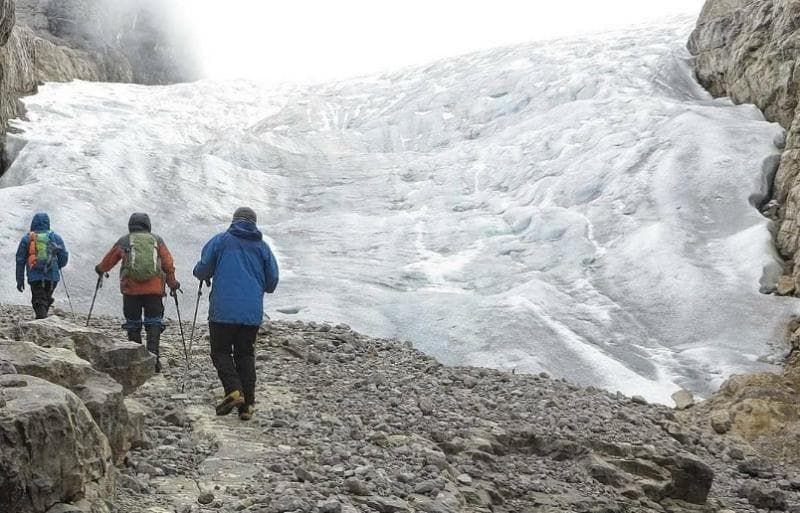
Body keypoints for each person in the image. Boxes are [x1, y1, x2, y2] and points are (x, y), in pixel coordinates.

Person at [193, 207, 279, 421]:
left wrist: (200, 273)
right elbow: (272, 282)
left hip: (223, 309)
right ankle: (247, 406)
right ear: (254, 223)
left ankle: (233, 391)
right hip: (251, 312)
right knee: (245, 354)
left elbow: (204, 268)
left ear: (234, 221)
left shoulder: (221, 241)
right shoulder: (263, 247)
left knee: (220, 351)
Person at [96, 212, 180, 372]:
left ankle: (136, 360)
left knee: (133, 323)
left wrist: (100, 269)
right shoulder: (157, 240)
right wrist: (172, 282)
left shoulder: (125, 240)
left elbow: (109, 260)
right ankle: (153, 359)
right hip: (154, 290)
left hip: (131, 290)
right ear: (148, 225)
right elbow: (168, 264)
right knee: (154, 321)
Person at [15, 213, 69, 319]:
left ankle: (42, 321)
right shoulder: (55, 237)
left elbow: (20, 261)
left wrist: (19, 280)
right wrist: (57, 267)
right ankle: (43, 317)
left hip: (35, 277)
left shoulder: (27, 239)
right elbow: (63, 257)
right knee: (45, 298)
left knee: (38, 300)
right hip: (52, 277)